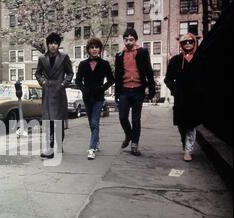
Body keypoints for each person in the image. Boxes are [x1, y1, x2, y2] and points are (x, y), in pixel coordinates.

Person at [114, 28, 155, 156]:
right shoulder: (119, 56)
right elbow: (117, 76)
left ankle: (134, 145)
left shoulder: (142, 52)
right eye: (126, 40)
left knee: (136, 119)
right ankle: (129, 134)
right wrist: (116, 93)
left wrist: (151, 89)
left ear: (135, 40)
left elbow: (149, 71)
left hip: (138, 90)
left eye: (131, 39)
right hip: (125, 91)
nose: (128, 42)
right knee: (122, 117)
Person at [35, 32, 74, 158]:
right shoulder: (42, 58)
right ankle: (51, 148)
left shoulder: (64, 57)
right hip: (47, 92)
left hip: (59, 93)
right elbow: (37, 73)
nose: (53, 45)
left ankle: (59, 145)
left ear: (58, 45)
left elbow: (70, 73)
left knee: (58, 122)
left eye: (55, 43)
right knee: (49, 122)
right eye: (51, 43)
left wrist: (63, 84)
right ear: (47, 44)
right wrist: (43, 82)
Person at [75, 37, 115, 160]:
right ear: (88, 50)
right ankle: (96, 141)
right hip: (87, 98)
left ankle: (91, 148)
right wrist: (84, 89)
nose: (94, 49)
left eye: (96, 47)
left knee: (94, 122)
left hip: (98, 97)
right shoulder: (82, 64)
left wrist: (102, 88)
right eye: (91, 47)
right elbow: (77, 81)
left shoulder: (104, 64)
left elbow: (111, 79)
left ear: (100, 49)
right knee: (91, 123)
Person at [164, 33, 201, 162]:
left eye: (190, 41)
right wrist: (175, 90)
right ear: (181, 45)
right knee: (181, 125)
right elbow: (167, 79)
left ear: (194, 42)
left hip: (195, 98)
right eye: (185, 42)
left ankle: (188, 150)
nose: (188, 44)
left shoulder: (200, 59)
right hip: (180, 99)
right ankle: (185, 144)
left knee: (191, 125)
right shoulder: (175, 61)